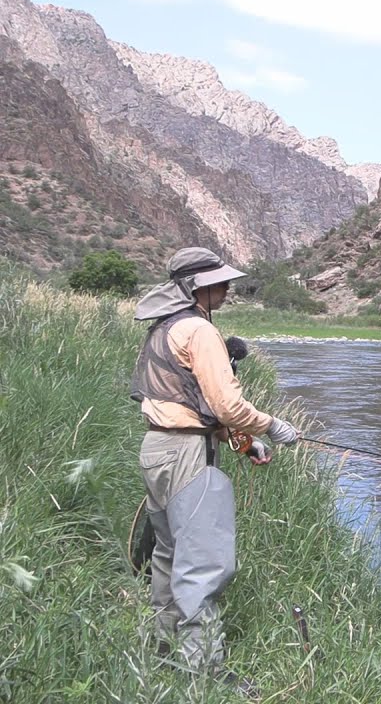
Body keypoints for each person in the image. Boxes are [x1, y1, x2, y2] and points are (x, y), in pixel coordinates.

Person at [130, 247, 299, 696]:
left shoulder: (164, 328)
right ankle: (202, 672)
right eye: (219, 283)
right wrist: (274, 427)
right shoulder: (199, 330)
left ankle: (162, 653)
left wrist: (244, 443)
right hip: (187, 455)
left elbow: (188, 405)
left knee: (167, 555)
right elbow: (225, 405)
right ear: (195, 288)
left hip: (157, 450)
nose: (227, 289)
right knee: (203, 563)